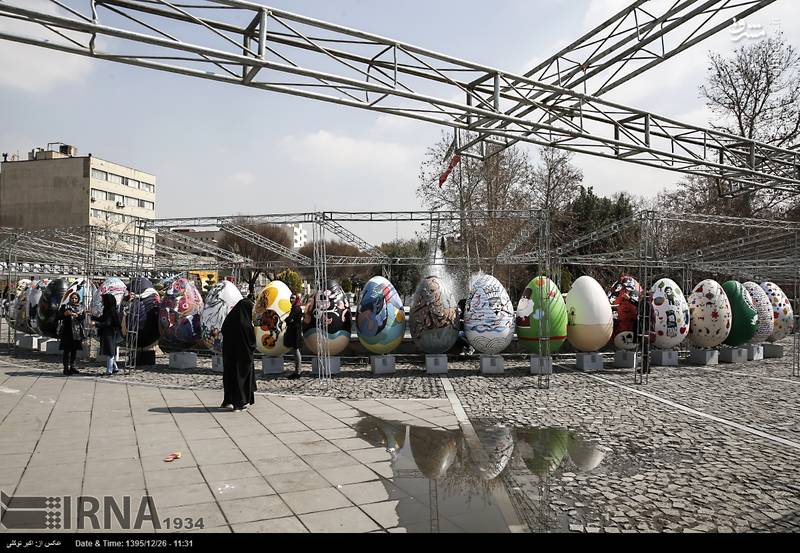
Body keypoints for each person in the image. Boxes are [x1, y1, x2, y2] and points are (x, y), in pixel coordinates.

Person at [221, 297, 256, 412]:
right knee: (240, 379)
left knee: (230, 377)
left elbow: (224, 331)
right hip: (242, 358)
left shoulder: (230, 320)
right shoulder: (245, 324)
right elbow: (251, 343)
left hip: (229, 355)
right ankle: (240, 403)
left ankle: (228, 400)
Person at [92, 293, 122, 376]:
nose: (101, 300)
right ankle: (115, 368)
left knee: (110, 352)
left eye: (103, 299)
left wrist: (96, 324)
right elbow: (102, 318)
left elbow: (107, 323)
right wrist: (93, 317)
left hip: (110, 333)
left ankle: (109, 370)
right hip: (108, 332)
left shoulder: (110, 310)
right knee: (110, 351)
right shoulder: (108, 309)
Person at [57, 292, 85, 376]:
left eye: (76, 298)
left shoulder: (81, 307)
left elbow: (82, 318)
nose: (74, 300)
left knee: (74, 350)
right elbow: (58, 316)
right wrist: (65, 314)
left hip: (76, 332)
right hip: (67, 332)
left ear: (78, 299)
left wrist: (77, 316)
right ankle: (66, 368)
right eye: (72, 298)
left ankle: (72, 366)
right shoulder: (65, 307)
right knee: (66, 351)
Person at [285, 294, 303, 379]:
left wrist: (287, 320)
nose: (291, 299)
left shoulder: (296, 308)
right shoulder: (295, 307)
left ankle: (298, 372)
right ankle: (297, 371)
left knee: (296, 351)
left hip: (295, 332)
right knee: (295, 351)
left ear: (296, 299)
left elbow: (290, 319)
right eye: (290, 297)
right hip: (294, 332)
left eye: (293, 298)